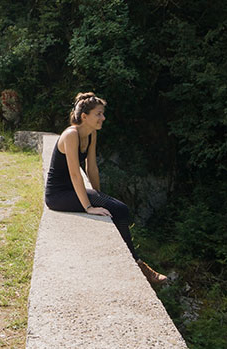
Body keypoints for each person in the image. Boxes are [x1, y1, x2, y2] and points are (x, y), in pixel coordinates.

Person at [44, 92, 168, 287]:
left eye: (102, 114)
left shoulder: (91, 134)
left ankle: (136, 263)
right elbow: (76, 174)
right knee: (121, 210)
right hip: (58, 195)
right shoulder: (71, 135)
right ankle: (139, 266)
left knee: (116, 208)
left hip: (71, 191)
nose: (103, 118)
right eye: (98, 114)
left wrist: (99, 196)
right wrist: (88, 206)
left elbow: (91, 167)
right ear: (84, 117)